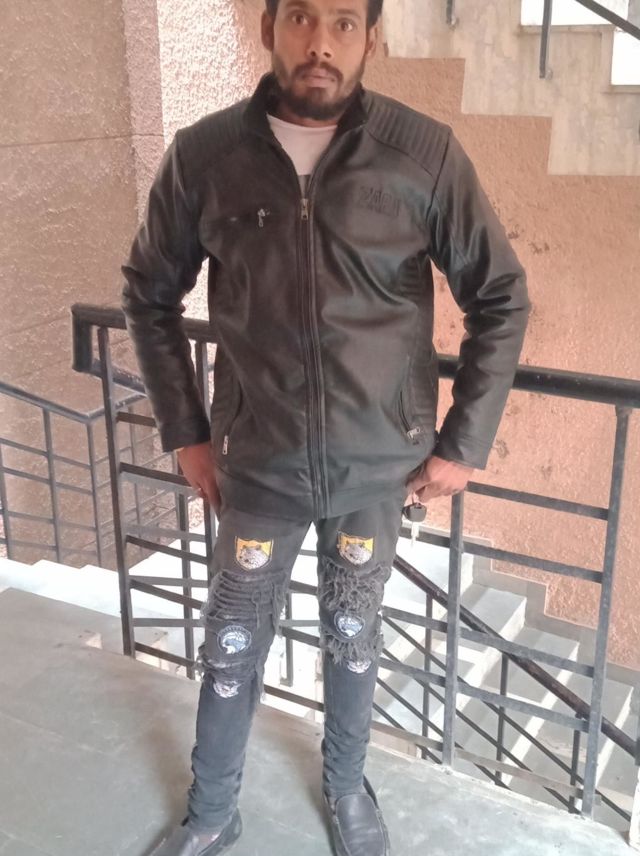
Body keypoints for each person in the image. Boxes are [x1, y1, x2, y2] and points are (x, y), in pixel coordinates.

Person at [121, 1, 531, 853]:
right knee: (233, 641)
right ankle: (212, 811)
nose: (320, 42)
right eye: (301, 18)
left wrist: (464, 442)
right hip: (258, 464)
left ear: (371, 38)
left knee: (352, 634)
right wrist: (186, 431)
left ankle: (346, 788)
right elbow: (149, 296)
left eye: (344, 22)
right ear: (268, 28)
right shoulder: (206, 157)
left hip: (377, 466)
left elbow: (499, 295)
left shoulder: (423, 154)